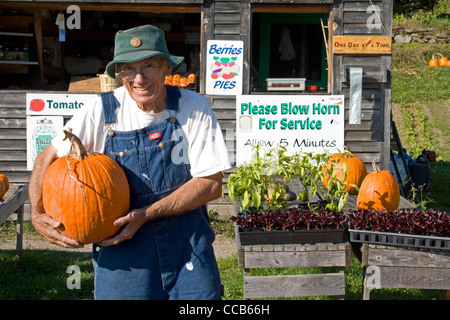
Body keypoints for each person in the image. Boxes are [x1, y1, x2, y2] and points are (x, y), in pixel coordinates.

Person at [29, 25, 232, 300]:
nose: (139, 78)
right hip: (123, 255)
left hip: (188, 246)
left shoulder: (192, 107)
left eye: (149, 65)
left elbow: (210, 185)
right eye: (128, 69)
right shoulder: (101, 111)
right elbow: (47, 157)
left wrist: (145, 214)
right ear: (119, 73)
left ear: (165, 68)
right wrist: (37, 213)